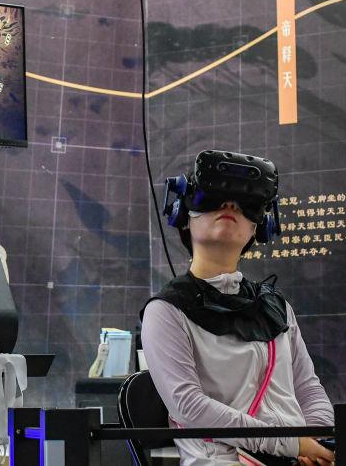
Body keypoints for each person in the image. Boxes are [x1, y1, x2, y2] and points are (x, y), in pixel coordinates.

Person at [141, 151, 335, 466]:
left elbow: (308, 387)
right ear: (183, 215)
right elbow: (188, 406)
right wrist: (291, 444)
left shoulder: (277, 308)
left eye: (246, 203)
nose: (230, 206)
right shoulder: (166, 311)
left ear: (261, 226)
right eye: (214, 197)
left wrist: (318, 440)